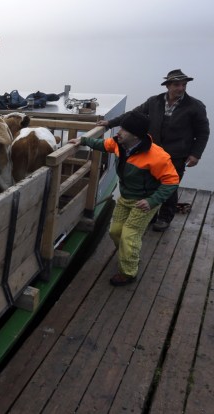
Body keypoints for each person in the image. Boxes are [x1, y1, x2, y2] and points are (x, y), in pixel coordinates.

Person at [69, 112, 179, 286]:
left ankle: (128, 272)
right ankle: (129, 255)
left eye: (124, 129)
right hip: (126, 197)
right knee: (115, 231)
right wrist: (83, 141)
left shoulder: (157, 156)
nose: (119, 132)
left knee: (129, 235)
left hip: (145, 202)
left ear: (136, 135)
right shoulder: (119, 144)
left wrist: (152, 201)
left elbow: (172, 181)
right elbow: (102, 144)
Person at [97, 69, 209, 232]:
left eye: (184, 85)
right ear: (168, 86)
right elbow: (133, 115)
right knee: (150, 185)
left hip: (177, 155)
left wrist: (196, 154)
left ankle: (165, 217)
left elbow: (203, 131)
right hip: (152, 152)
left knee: (170, 185)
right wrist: (109, 123)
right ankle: (150, 215)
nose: (181, 88)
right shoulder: (154, 102)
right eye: (177, 85)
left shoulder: (195, 106)